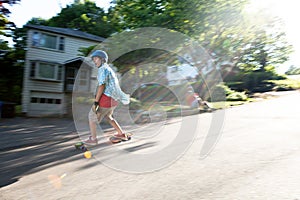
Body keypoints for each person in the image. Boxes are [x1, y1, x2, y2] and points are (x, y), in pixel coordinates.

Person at [84, 50, 130, 145]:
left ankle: (93, 139)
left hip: (106, 99)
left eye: (96, 59)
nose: (94, 61)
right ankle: (121, 133)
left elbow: (102, 86)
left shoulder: (102, 69)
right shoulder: (109, 69)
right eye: (93, 59)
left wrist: (96, 101)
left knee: (92, 117)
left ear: (102, 59)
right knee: (109, 116)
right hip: (113, 100)